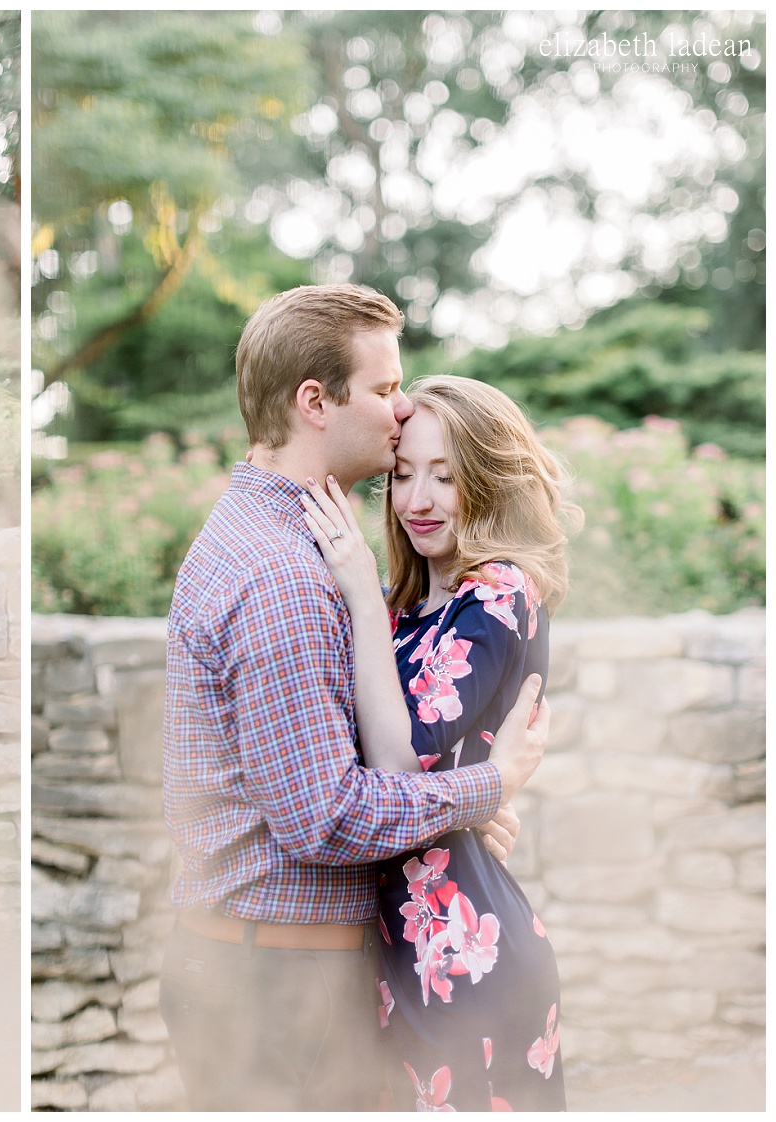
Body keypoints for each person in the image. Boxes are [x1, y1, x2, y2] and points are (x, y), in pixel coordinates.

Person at [159, 284, 552, 1111]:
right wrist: (484, 789)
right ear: (315, 401)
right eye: (382, 388)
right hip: (278, 984)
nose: (399, 405)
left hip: (279, 968)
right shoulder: (284, 580)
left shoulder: (285, 543)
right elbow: (325, 816)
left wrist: (459, 814)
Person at [298, 375, 576, 1111]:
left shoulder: (499, 591)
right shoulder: (408, 610)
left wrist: (356, 587)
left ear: (486, 478)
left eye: (445, 477)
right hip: (398, 950)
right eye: (402, 474)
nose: (417, 500)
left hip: (462, 951)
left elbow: (399, 760)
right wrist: (480, 803)